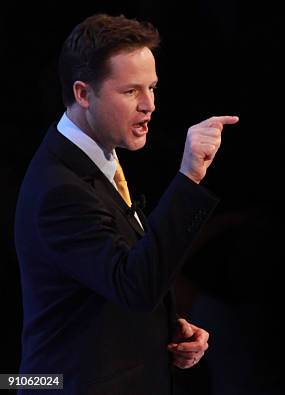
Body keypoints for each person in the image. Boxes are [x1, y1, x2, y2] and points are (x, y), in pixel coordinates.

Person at [14, 14, 238, 393]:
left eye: (152, 87)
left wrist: (166, 326)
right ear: (84, 94)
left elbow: (112, 275)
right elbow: (134, 285)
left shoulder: (96, 155)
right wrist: (190, 176)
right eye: (131, 91)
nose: (149, 105)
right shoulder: (59, 189)